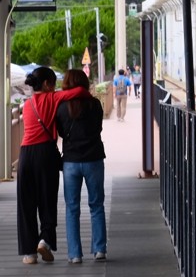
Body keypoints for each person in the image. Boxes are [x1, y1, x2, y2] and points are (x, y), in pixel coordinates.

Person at [17, 66, 91, 265]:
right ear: (47, 84)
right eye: (54, 84)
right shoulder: (53, 98)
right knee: (47, 200)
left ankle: (29, 253)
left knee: (26, 204)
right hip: (45, 153)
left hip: (25, 155)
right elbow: (80, 91)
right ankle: (45, 240)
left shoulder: (27, 104)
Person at [55, 70, 107, 264]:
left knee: (72, 208)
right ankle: (99, 249)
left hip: (71, 161)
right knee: (96, 205)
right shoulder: (95, 104)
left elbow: (61, 132)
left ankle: (75, 254)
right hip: (94, 158)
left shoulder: (61, 107)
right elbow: (98, 128)